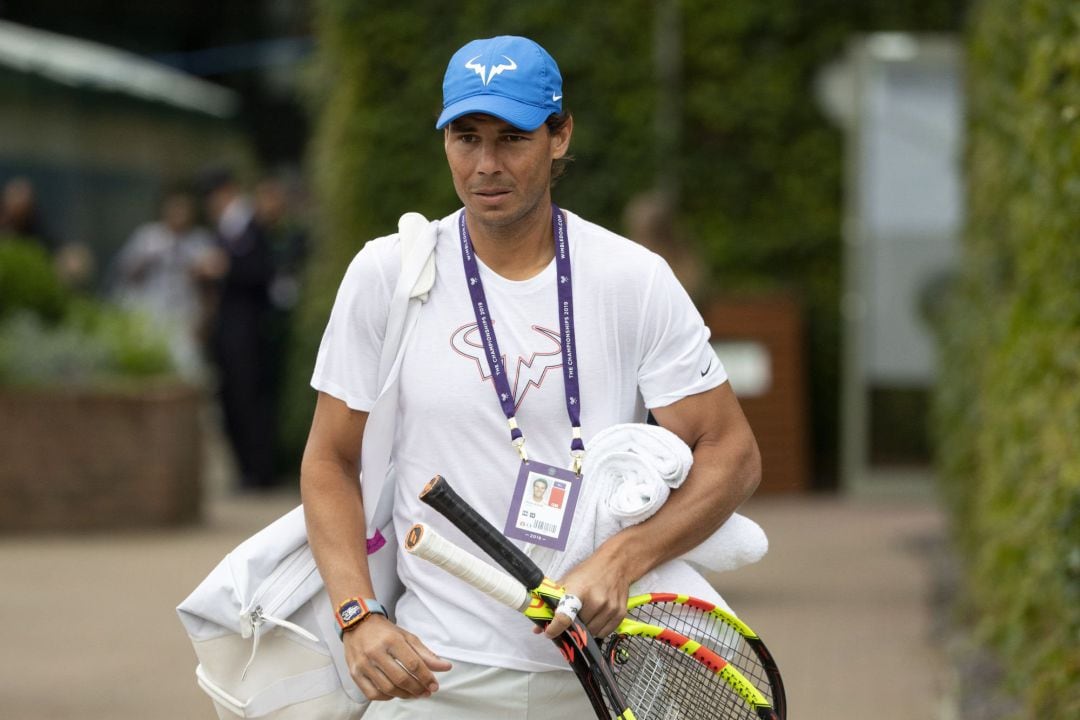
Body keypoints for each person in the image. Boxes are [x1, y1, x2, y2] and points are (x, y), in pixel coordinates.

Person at [300, 35, 761, 716]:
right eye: (466, 137)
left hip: (597, 678)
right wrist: (357, 614)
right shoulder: (387, 274)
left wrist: (622, 560)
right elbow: (329, 460)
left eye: (512, 138)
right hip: (433, 680)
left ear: (559, 135)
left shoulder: (632, 278)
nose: (486, 164)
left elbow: (734, 454)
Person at [200, 167, 279, 491]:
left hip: (248, 329)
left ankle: (259, 471)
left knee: (250, 399)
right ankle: (246, 469)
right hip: (228, 328)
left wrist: (225, 267)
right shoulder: (226, 228)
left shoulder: (251, 226)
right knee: (232, 398)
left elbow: (261, 272)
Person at [110, 188, 224, 382]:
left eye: (184, 209)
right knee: (150, 375)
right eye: (174, 208)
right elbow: (125, 273)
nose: (179, 214)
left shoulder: (200, 241)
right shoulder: (148, 236)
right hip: (149, 317)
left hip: (185, 320)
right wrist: (147, 260)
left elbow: (212, 286)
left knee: (190, 374)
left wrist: (205, 322)